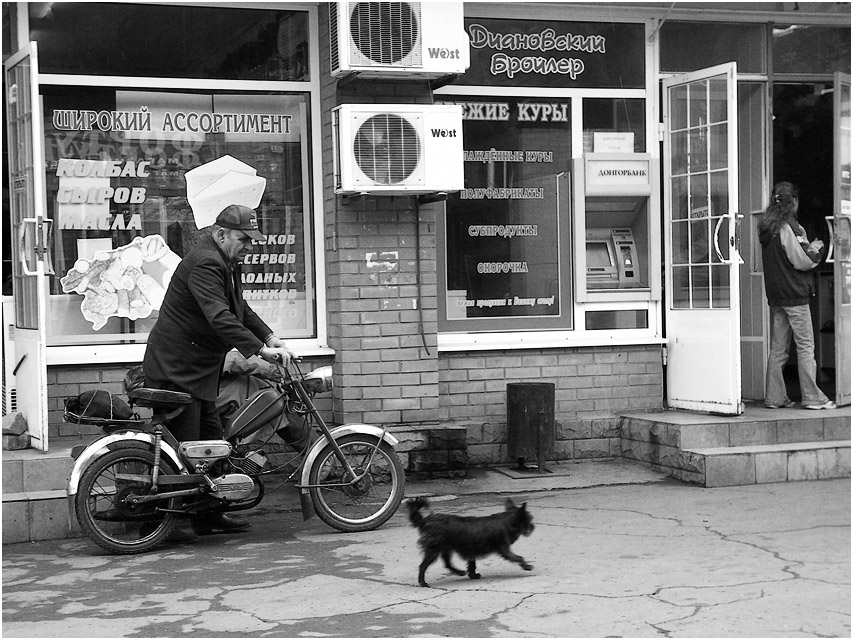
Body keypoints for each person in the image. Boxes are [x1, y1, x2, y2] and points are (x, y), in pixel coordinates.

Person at [143, 203, 295, 541]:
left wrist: (269, 335)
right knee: (186, 449)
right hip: (177, 369)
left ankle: (208, 514)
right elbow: (220, 317)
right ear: (221, 234)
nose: (249, 246)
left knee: (212, 444)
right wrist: (259, 350)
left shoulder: (227, 262)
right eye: (244, 239)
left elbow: (240, 309)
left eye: (252, 240)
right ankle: (170, 523)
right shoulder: (206, 263)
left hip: (198, 370)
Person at [758, 182, 835, 411]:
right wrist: (818, 246)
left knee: (779, 349)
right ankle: (812, 397)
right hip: (795, 295)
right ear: (794, 202)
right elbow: (803, 260)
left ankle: (775, 397)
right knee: (805, 347)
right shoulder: (788, 227)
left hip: (777, 297)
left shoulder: (766, 227)